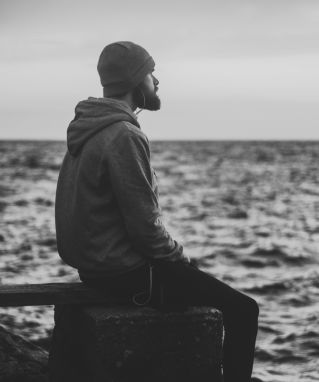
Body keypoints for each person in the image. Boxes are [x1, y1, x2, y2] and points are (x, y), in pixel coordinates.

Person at [55, 41, 259, 382]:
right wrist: (179, 258)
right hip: (125, 274)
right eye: (151, 72)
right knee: (244, 310)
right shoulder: (123, 135)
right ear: (136, 80)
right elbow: (145, 227)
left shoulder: (87, 129)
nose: (157, 81)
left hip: (94, 269)